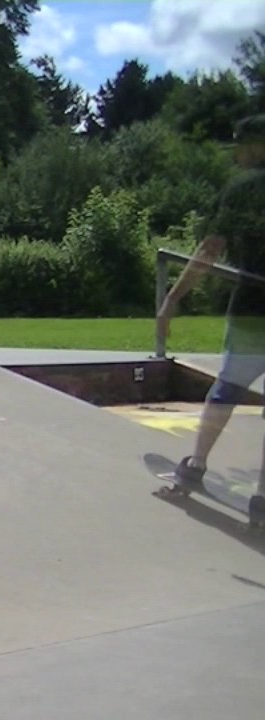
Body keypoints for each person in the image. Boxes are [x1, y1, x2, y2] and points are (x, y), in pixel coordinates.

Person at [156, 113, 265, 527]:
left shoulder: (242, 191)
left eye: (240, 148)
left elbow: (209, 250)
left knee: (227, 389)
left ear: (255, 147)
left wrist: (173, 298)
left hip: (254, 311)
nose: (236, 156)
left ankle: (195, 464)